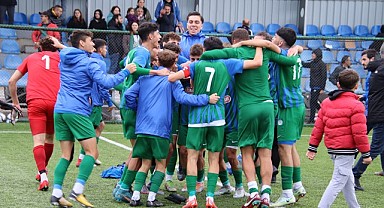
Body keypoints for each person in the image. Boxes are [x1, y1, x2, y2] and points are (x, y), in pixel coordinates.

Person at [199, 29, 300, 207]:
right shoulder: (267, 52)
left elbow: (207, 54)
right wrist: (297, 48)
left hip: (247, 107)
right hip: (268, 106)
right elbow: (291, 60)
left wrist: (234, 49)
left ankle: (253, 191)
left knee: (246, 152)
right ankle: (266, 195)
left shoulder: (236, 51)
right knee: (266, 154)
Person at [168, 36, 263, 208]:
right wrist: (259, 44)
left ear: (205, 50)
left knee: (192, 156)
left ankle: (191, 198)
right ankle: (210, 198)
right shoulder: (228, 64)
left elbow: (172, 78)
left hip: (197, 117)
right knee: (214, 158)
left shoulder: (195, 65)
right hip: (217, 118)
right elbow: (257, 63)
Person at [49, 30, 136, 208]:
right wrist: (126, 71)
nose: (93, 45)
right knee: (92, 152)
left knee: (66, 155)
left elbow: (68, 51)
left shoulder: (64, 56)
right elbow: (106, 82)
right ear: (82, 43)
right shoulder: (90, 63)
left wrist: (61, 46)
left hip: (60, 109)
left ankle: (56, 193)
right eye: (90, 41)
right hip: (77, 111)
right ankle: (77, 191)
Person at [125, 49, 219, 207]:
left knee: (145, 162)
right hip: (160, 128)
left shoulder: (144, 78)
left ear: (157, 62)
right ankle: (151, 198)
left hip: (142, 127)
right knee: (161, 163)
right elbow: (183, 98)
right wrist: (206, 98)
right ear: (174, 64)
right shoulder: (172, 80)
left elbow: (128, 95)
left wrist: (137, 108)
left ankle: (135, 197)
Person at [112, 22, 169, 203]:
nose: (160, 37)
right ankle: (122, 187)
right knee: (138, 151)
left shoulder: (134, 51)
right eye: (158, 34)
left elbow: (124, 64)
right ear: (150, 36)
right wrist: (155, 72)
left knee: (138, 150)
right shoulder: (143, 52)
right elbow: (134, 70)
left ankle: (124, 186)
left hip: (129, 104)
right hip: (132, 105)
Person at [307, 69, 372, 208]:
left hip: (333, 149)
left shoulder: (326, 103)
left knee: (347, 179)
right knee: (337, 181)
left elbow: (318, 127)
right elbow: (359, 133)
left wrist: (312, 148)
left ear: (337, 84)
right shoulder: (357, 105)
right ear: (356, 86)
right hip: (346, 150)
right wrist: (366, 154)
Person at [8, 37, 60, 192]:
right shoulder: (61, 58)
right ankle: (42, 170)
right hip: (55, 101)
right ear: (55, 47)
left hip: (35, 101)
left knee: (38, 140)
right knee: (50, 138)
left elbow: (11, 81)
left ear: (40, 48)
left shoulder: (31, 58)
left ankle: (42, 175)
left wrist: (16, 103)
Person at [269, 28, 306, 207]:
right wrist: (298, 47)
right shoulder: (294, 54)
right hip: (297, 104)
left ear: (281, 42)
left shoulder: (282, 55)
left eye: (275, 37)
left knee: (284, 148)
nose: (272, 39)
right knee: (290, 147)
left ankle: (287, 193)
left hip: (288, 106)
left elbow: (266, 46)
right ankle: (298, 186)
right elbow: (300, 49)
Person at [75, 38, 114, 168]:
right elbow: (102, 84)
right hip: (95, 101)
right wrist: (108, 101)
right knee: (91, 130)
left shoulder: (87, 59)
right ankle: (85, 157)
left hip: (87, 99)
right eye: (105, 48)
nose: (106, 50)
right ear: (100, 49)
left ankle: (91, 154)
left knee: (100, 125)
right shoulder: (100, 63)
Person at [353, 49, 384, 191]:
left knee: (378, 144)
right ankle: (355, 174)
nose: (362, 63)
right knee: (375, 147)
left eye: (364, 60)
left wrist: (365, 97)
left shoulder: (376, 71)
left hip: (373, 111)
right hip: (378, 113)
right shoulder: (378, 70)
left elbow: (373, 92)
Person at [302, 48, 327, 124]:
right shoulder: (312, 63)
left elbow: (324, 76)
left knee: (313, 101)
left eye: (314, 54)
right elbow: (305, 64)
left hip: (318, 86)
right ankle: (322, 112)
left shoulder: (322, 64)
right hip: (313, 85)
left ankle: (312, 119)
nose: (312, 55)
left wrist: (322, 87)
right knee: (313, 101)